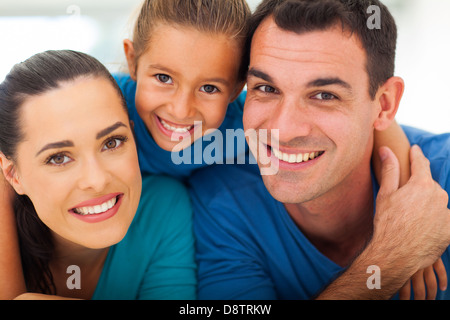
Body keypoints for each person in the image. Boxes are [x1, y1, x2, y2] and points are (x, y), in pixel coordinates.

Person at [0, 0, 430, 299]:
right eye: (162, 78)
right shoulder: (106, 103)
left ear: (238, 88)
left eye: (209, 87)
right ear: (132, 62)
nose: (181, 109)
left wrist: (408, 206)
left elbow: (373, 122)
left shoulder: (246, 124)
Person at [190, 0, 450, 300]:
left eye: (324, 95)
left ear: (385, 104)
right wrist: (387, 261)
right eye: (266, 88)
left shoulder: (443, 182)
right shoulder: (222, 202)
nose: (284, 130)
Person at [0, 50, 196, 300]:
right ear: (12, 174)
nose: (97, 180)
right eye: (59, 158)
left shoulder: (162, 208)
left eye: (112, 142)